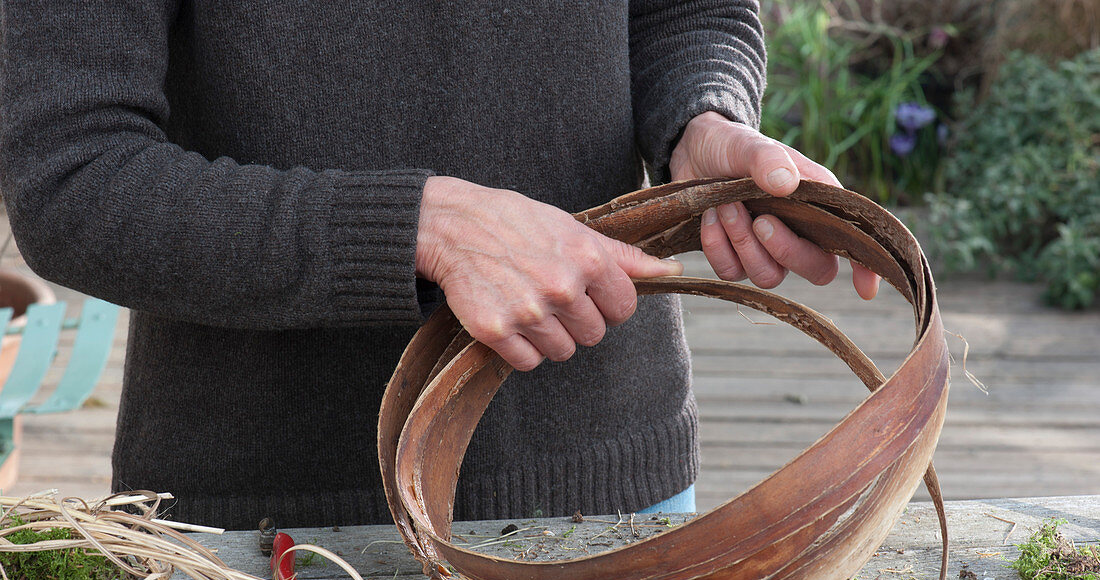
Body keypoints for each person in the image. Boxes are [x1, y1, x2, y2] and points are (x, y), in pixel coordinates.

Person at [0, 2, 877, 530]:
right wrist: (422, 226)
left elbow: (684, 13)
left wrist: (699, 121)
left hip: (615, 493)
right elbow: (75, 177)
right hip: (268, 540)